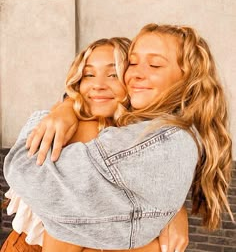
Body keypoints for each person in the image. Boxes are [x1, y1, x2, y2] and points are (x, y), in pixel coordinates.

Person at [3, 24, 233, 250]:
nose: (98, 85)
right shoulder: (80, 128)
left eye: (114, 74)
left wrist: (173, 210)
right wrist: (66, 106)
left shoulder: (134, 137)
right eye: (88, 74)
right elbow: (67, 227)